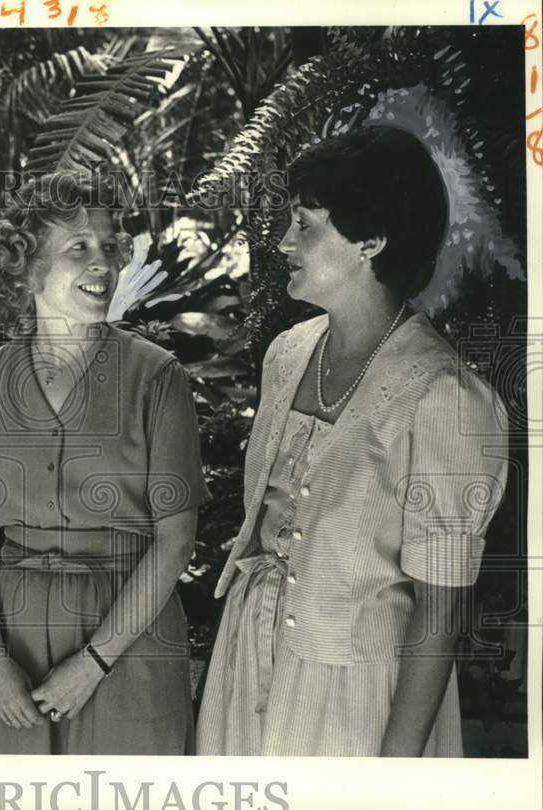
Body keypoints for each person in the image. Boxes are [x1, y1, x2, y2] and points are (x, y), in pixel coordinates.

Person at [195, 125, 509, 756]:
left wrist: (391, 777)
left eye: (305, 224)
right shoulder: (287, 354)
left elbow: (439, 614)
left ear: (371, 240)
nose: (284, 241)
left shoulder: (444, 397)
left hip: (355, 703)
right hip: (244, 668)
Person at [0, 174, 210, 754]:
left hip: (127, 644)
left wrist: (94, 663)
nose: (104, 264)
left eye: (110, 247)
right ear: (26, 264)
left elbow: (175, 541)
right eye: (79, 248)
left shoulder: (156, 376)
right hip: (11, 647)